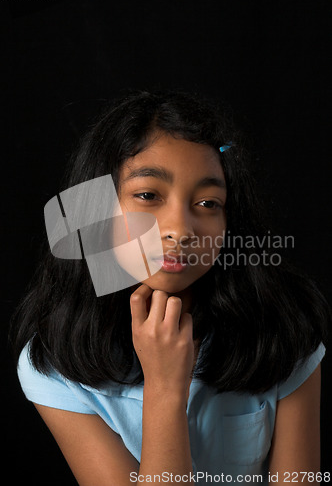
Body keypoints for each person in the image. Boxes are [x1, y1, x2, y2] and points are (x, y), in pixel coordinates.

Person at [10, 89, 330, 485]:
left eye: (208, 203)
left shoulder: (286, 328)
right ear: (96, 209)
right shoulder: (53, 364)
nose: (179, 230)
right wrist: (164, 390)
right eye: (147, 195)